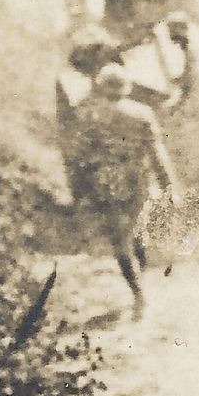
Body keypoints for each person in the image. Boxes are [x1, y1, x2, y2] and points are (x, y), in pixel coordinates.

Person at [72, 63, 180, 316]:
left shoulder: (89, 115)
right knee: (138, 234)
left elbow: (80, 157)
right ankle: (142, 284)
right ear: (126, 87)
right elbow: (157, 155)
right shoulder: (141, 114)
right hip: (137, 180)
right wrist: (169, 188)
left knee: (119, 240)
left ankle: (138, 293)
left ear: (101, 87)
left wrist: (82, 192)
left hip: (107, 184)